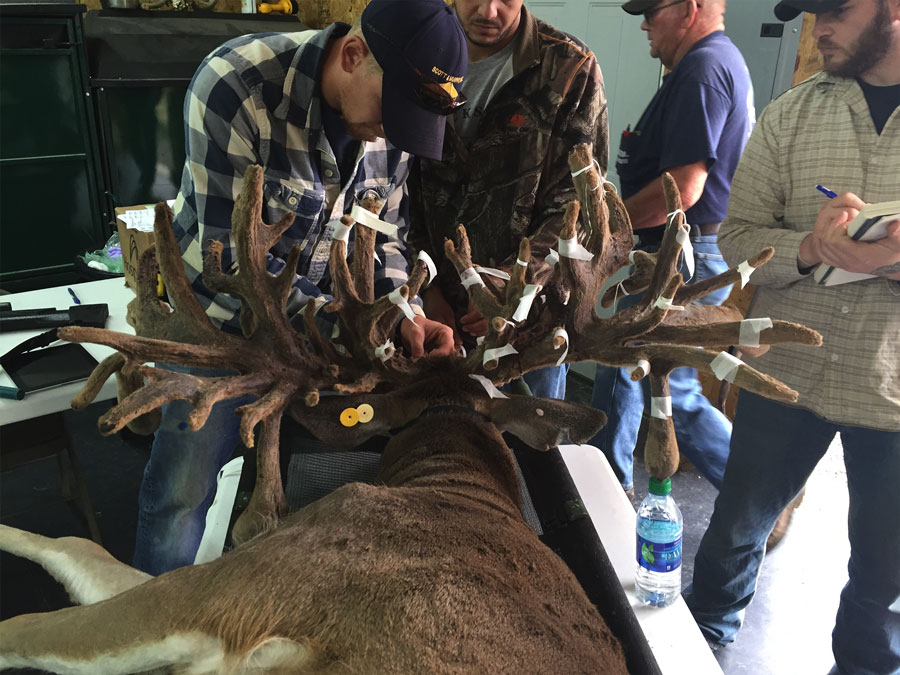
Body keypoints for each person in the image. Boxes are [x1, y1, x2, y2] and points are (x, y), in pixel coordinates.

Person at [134, 0, 466, 575]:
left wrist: (402, 313)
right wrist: (367, 326)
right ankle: (146, 622)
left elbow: (383, 238)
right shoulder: (234, 85)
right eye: (392, 114)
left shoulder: (388, 124)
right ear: (354, 55)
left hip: (324, 327)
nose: (393, 134)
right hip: (222, 322)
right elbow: (234, 264)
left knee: (316, 484)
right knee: (181, 492)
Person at [683, 0, 900, 672]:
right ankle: (691, 654)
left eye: (835, 10)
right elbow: (738, 236)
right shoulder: (793, 112)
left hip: (893, 393)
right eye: (811, 13)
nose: (819, 28)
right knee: (730, 538)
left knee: (884, 579)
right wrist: (809, 246)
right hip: (787, 377)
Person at [589, 0, 755, 495]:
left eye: (651, 11)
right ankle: (607, 495)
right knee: (631, 370)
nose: (643, 23)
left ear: (690, 8)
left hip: (679, 258)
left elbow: (683, 189)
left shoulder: (703, 70)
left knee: (663, 385)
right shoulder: (712, 63)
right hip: (680, 253)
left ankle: (757, 492)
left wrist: (609, 233)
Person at [409, 0, 608, 400]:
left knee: (531, 448)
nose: (489, 10)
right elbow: (398, 183)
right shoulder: (417, 54)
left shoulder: (569, 67)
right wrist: (420, 287)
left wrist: (511, 283)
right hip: (428, 314)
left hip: (529, 320)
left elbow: (580, 204)